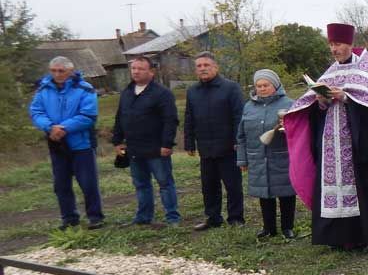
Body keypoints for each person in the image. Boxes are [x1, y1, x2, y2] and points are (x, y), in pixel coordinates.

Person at [283, 23, 368, 249]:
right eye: (331, 44)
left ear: (349, 44)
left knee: (360, 186)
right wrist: (321, 102)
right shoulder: (329, 73)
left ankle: (362, 236)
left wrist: (348, 98)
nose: (334, 49)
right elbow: (316, 110)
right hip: (330, 145)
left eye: (338, 44)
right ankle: (335, 238)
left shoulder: (364, 72)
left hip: (357, 145)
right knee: (331, 187)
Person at [29, 56, 105, 230]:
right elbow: (36, 112)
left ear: (70, 71)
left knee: (88, 183)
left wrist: (63, 128)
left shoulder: (84, 89)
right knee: (61, 184)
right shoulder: (43, 90)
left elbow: (89, 116)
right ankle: (69, 218)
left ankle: (95, 216)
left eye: (61, 71)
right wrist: (49, 127)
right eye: (53, 70)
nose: (57, 74)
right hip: (56, 143)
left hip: (81, 144)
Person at [112, 56, 180, 226]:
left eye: (140, 68)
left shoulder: (162, 93)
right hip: (134, 148)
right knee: (141, 184)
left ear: (151, 72)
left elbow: (170, 120)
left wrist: (167, 144)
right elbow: (120, 117)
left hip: (156, 148)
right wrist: (117, 140)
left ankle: (172, 218)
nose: (135, 71)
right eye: (133, 68)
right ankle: (143, 217)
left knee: (165, 183)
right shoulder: (127, 92)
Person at [184, 51, 246, 230]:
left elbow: (238, 116)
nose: (202, 69)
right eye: (199, 66)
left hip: (228, 147)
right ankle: (213, 218)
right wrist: (189, 142)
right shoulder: (192, 91)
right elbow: (189, 117)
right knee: (208, 186)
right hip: (205, 147)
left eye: (206, 65)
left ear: (215, 67)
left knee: (233, 185)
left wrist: (238, 140)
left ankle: (236, 218)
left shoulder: (230, 88)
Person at [237, 69, 296, 239]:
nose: (262, 89)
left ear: (275, 85)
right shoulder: (248, 107)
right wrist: (243, 159)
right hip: (257, 157)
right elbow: (241, 135)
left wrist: (287, 129)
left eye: (266, 85)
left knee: (286, 193)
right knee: (264, 194)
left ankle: (287, 228)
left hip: (282, 156)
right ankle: (269, 228)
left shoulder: (290, 104)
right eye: (258, 86)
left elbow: (300, 131)